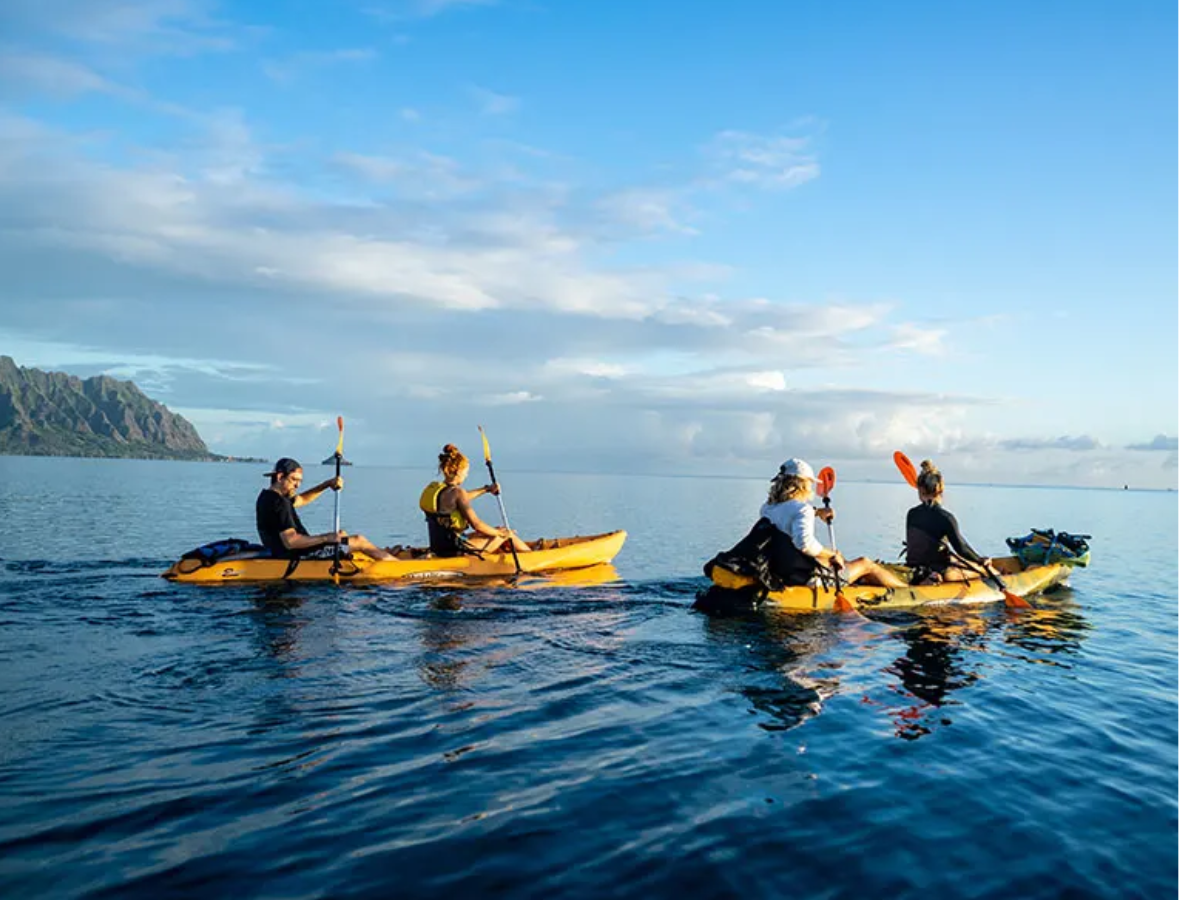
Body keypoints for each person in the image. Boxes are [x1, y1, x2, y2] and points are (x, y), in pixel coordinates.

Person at [759, 458, 908, 588]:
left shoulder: (767, 508)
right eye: (810, 483)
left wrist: (817, 512)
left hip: (781, 570)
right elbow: (804, 544)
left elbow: (787, 514)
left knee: (837, 560)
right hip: (806, 579)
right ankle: (908, 590)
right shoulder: (803, 510)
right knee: (866, 563)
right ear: (803, 484)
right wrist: (831, 554)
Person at [256, 457, 396, 560]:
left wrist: (326, 484)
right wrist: (326, 538)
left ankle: (380, 553)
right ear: (280, 477)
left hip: (290, 551)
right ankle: (396, 565)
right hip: (298, 554)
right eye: (294, 480)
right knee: (359, 540)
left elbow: (302, 499)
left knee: (343, 535)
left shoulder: (268, 496)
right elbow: (291, 542)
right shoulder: (279, 502)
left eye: (299, 481)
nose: (297, 485)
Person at [417, 444, 533, 557]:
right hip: (455, 550)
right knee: (505, 534)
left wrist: (486, 489)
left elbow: (462, 499)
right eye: (466, 472)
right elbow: (477, 525)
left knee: (498, 530)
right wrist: (501, 534)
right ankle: (531, 556)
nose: (466, 475)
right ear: (458, 471)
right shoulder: (458, 492)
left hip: (438, 547)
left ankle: (525, 551)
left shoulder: (439, 490)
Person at [905, 459, 1002, 584]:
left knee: (956, 560)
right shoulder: (946, 518)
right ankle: (1000, 575)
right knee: (983, 569)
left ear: (920, 491)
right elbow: (961, 549)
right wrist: (980, 560)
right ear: (940, 490)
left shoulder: (911, 514)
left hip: (913, 569)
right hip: (940, 572)